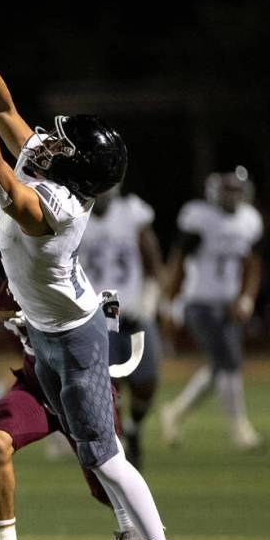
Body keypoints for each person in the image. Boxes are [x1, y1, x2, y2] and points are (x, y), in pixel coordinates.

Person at [0, 21, 188, 540]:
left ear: (77, 171)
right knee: (80, 439)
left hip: (77, 338)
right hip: (45, 334)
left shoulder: (56, 207)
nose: (51, 142)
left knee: (106, 454)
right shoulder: (56, 172)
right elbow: (11, 111)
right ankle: (126, 532)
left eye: (63, 145)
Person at [0, 212, 155, 540]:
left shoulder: (49, 258)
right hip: (37, 379)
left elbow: (93, 313)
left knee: (107, 482)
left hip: (80, 379)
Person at [160, 166, 266, 451]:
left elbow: (252, 266)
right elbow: (178, 262)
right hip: (199, 302)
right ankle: (240, 428)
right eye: (227, 189)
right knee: (229, 362)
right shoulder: (199, 217)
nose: (232, 195)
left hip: (229, 304)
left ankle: (175, 412)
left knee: (222, 366)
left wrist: (247, 298)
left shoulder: (249, 221)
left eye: (236, 189)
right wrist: (169, 305)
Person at [78, 185, 164, 468]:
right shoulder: (76, 213)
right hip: (96, 307)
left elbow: (152, 260)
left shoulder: (132, 213)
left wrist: (149, 300)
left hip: (131, 306)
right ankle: (117, 443)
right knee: (106, 386)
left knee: (147, 382)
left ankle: (134, 427)